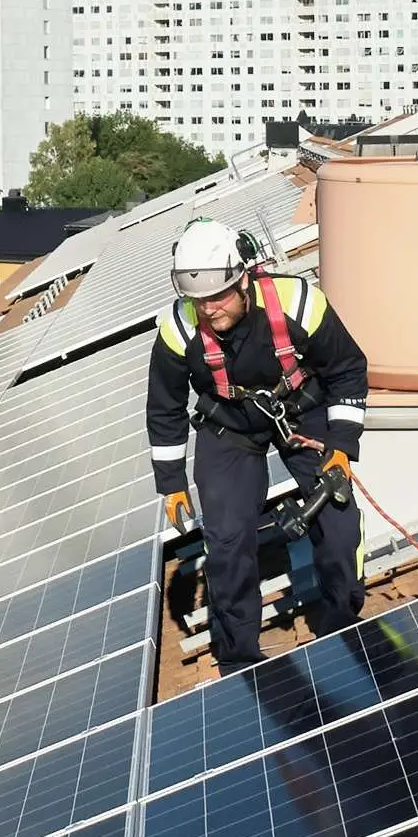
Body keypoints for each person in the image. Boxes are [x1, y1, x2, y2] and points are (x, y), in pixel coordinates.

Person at [146, 217, 370, 667]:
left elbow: (348, 370)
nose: (208, 309)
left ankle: (342, 621)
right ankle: (239, 656)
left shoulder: (300, 304)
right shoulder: (178, 329)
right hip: (228, 427)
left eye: (219, 295)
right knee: (227, 539)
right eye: (198, 299)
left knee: (338, 520)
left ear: (243, 278)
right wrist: (171, 483)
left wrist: (342, 445)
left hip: (301, 413)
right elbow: (165, 408)